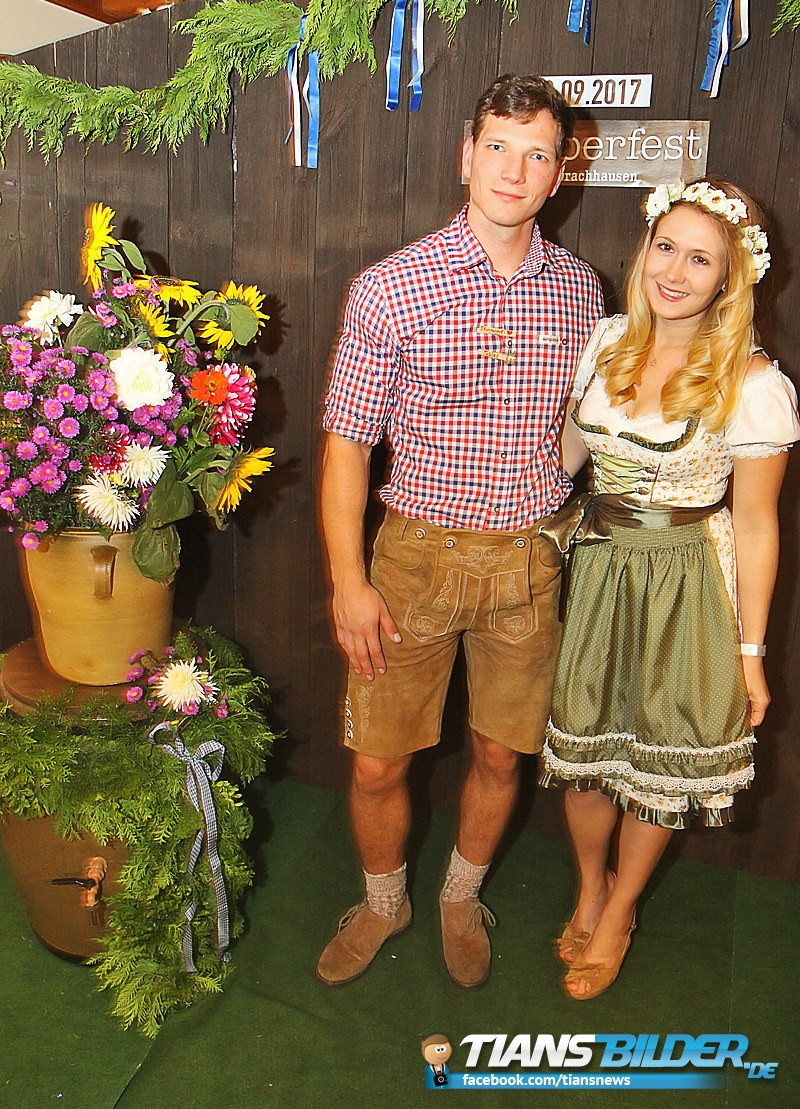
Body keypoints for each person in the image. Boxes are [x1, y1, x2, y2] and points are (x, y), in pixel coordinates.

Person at [316, 74, 604, 988]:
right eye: (498, 147)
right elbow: (347, 448)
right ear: (465, 157)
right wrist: (348, 583)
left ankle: (458, 894)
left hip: (527, 562)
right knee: (377, 764)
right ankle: (383, 901)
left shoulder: (581, 293)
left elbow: (579, 428)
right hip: (411, 562)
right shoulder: (390, 287)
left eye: (536, 153)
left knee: (500, 752)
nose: (514, 170)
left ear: (558, 172)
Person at [540, 178, 800, 1000]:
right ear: (644, 248)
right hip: (596, 569)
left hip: (686, 581)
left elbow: (756, 526)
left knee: (658, 759)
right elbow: (565, 457)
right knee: (584, 753)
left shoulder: (751, 382)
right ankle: (591, 886)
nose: (676, 272)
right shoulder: (606, 340)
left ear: (729, 278)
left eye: (701, 259)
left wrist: (751, 654)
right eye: (666, 248)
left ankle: (620, 912)